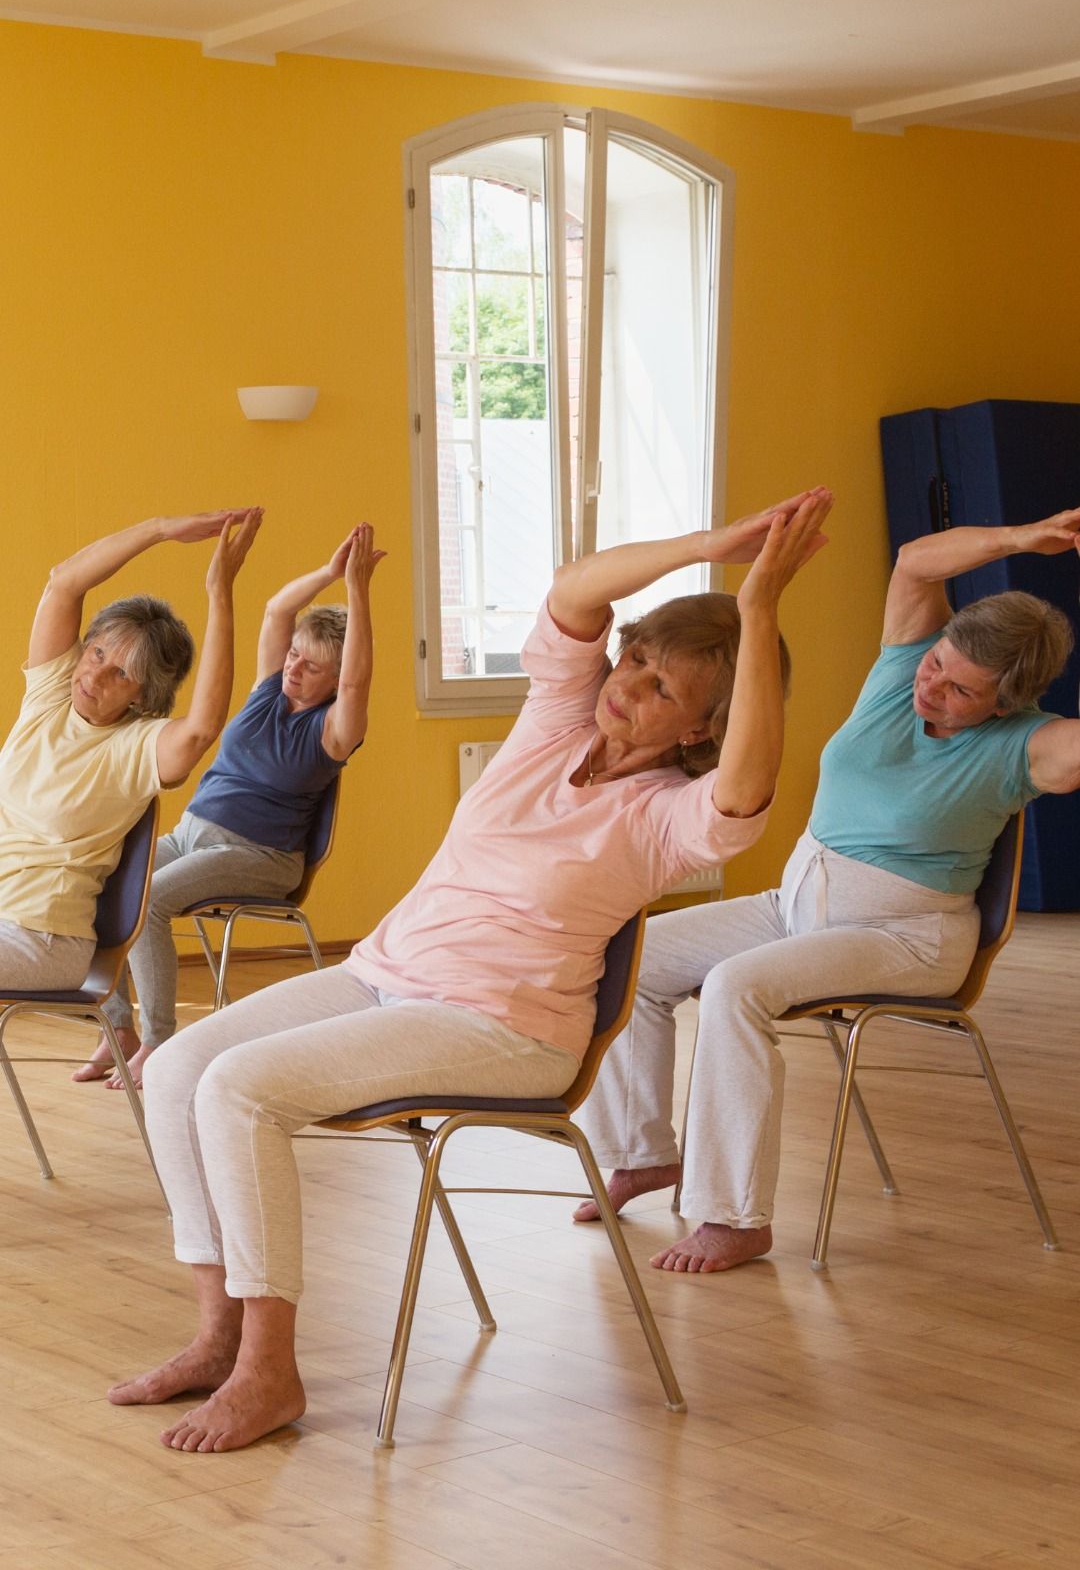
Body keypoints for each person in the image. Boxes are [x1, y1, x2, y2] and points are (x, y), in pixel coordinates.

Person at [107, 488, 832, 1452]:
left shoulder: (669, 817)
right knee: (175, 1071)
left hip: (506, 1026)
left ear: (703, 728)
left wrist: (760, 606)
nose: (631, 683)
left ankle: (269, 1371)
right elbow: (578, 592)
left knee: (239, 1091)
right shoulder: (554, 725)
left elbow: (748, 786)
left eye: (666, 688)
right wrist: (716, 546)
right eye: (640, 659)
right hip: (387, 973)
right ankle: (217, 1334)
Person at [574, 508, 1080, 1274]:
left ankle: (734, 1216)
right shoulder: (899, 671)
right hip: (798, 909)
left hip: (908, 938)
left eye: (962, 692)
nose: (934, 688)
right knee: (623, 948)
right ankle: (641, 1153)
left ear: (1006, 705)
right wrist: (1021, 540)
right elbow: (915, 560)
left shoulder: (1031, 747)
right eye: (937, 664)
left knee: (735, 987)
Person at [73, 524, 385, 1087]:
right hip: (194, 833)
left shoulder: (335, 729)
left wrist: (359, 590)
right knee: (99, 880)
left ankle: (160, 1041)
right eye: (293, 655)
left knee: (152, 904)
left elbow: (361, 680)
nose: (293, 667)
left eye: (311, 666)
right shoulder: (270, 689)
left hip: (261, 855)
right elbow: (275, 611)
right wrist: (330, 573)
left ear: (336, 680)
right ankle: (116, 1027)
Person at [0, 510, 262, 995]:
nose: (95, 676)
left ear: (143, 694)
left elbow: (203, 728)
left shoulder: (137, 746)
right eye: (98, 653)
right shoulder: (50, 695)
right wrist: (162, 529)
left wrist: (220, 592)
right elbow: (63, 583)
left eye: (121, 673)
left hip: (43, 938)